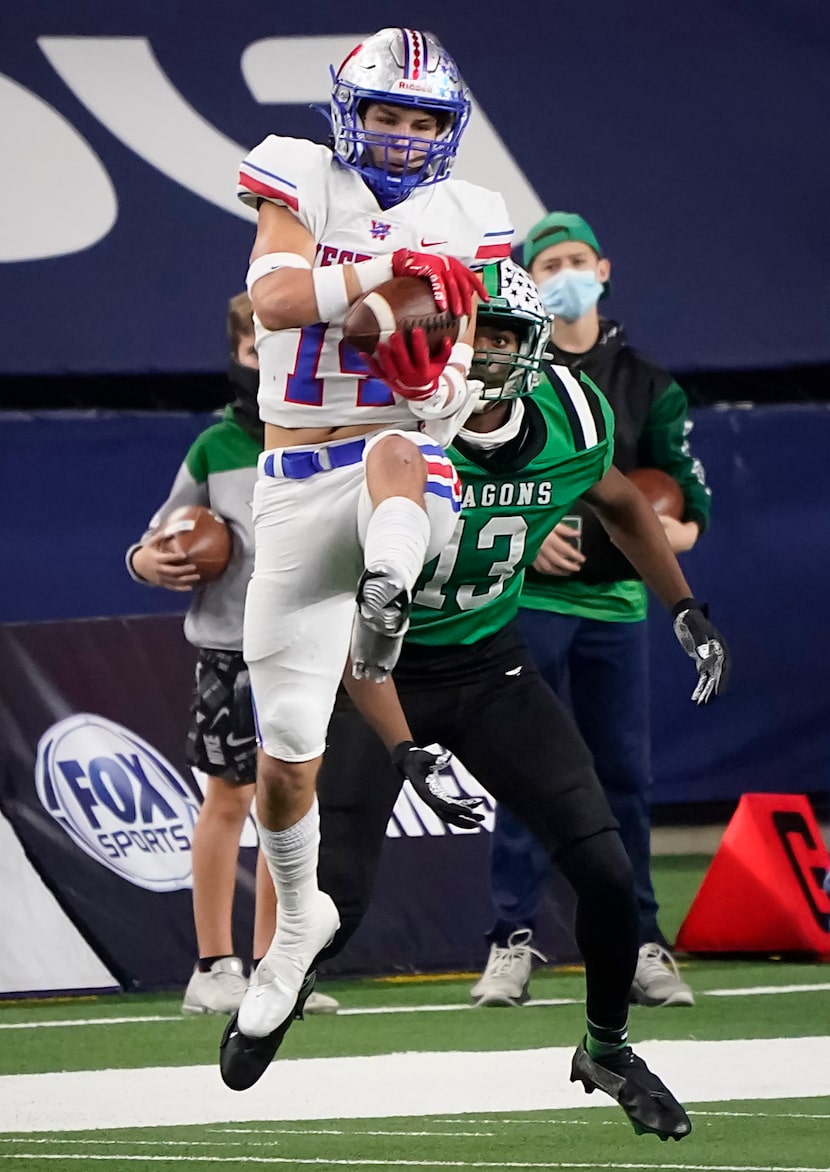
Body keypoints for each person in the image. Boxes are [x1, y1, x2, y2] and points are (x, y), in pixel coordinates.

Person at [221, 260, 730, 1142]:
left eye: (501, 336)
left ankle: (608, 1048)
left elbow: (619, 503)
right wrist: (401, 745)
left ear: (532, 350)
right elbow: (348, 618)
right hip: (370, 671)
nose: (485, 352)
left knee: (607, 877)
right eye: (470, 333)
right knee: (336, 906)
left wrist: (683, 605)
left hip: (492, 666)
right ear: (435, 344)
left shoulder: (574, 413)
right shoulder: (389, 432)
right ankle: (284, 975)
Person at [222, 26, 513, 1061]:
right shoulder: (298, 174)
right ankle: (298, 924)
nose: (398, 136)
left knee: (402, 443)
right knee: (286, 766)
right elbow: (278, 297)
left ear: (447, 130)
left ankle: (385, 599)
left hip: (397, 461)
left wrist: (438, 374)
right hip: (292, 486)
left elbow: (465, 370)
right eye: (384, 114)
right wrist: (390, 270)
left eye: (420, 120)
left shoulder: (473, 214)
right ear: (350, 114)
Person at [471, 212, 712, 1011]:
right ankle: (512, 937)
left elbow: (684, 504)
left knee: (622, 776)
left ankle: (641, 939)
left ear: (602, 269)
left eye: (576, 260)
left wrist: (662, 527)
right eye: (548, 264)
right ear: (526, 286)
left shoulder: (649, 383)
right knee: (524, 770)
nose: (564, 273)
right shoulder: (508, 371)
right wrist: (526, 535)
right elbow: (475, 479)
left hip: (613, 603)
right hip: (527, 596)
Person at [126, 292, 338, 1015]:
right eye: (255, 350)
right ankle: (215, 964)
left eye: (278, 348)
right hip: (229, 645)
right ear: (238, 355)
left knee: (293, 798)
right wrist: (143, 561)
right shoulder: (217, 445)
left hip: (307, 641)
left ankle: (278, 964)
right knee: (229, 797)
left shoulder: (333, 431)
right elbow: (159, 535)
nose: (266, 362)